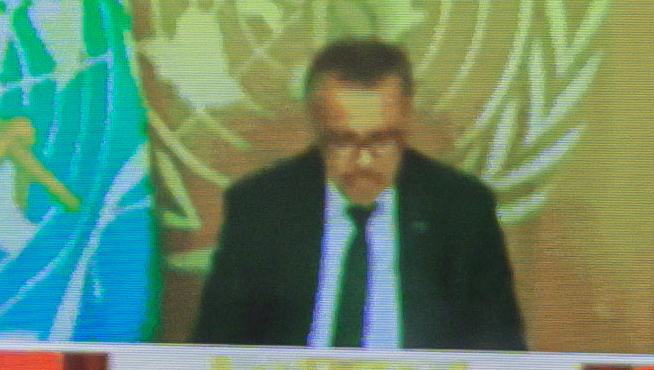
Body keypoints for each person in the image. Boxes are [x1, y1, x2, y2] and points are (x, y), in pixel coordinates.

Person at [189, 35, 529, 351]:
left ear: (407, 117)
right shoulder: (262, 207)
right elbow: (216, 346)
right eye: (342, 141)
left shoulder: (461, 209)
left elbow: (500, 353)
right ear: (314, 120)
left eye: (381, 140)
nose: (363, 161)